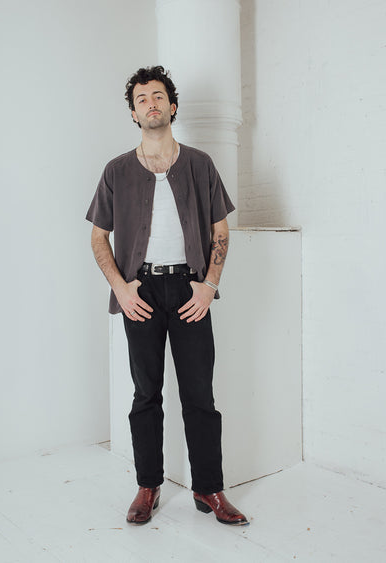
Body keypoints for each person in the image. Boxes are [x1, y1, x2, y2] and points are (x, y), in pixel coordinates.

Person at [87, 66, 247, 526]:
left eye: (159, 96)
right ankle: (148, 485)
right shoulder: (116, 170)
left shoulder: (200, 164)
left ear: (172, 106)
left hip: (189, 288)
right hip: (140, 290)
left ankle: (209, 489)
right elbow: (99, 237)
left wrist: (209, 285)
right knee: (146, 394)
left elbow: (220, 230)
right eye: (142, 99)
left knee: (200, 394)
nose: (151, 103)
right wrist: (120, 287)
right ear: (134, 113)